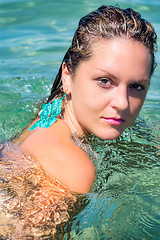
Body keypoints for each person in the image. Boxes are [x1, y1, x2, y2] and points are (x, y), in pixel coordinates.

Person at [0, 5, 157, 238]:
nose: (123, 103)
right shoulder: (76, 168)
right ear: (67, 77)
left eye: (136, 86)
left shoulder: (51, 113)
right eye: (105, 81)